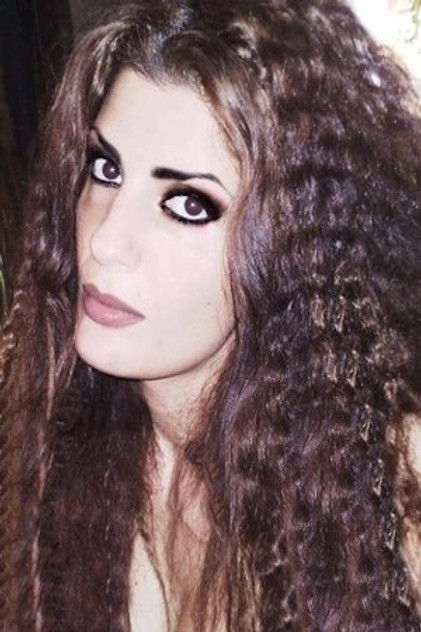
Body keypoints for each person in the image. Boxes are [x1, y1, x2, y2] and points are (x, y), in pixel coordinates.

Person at [1, 0, 421, 630]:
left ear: (290, 250)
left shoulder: (390, 491)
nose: (106, 241)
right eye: (106, 169)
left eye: (188, 204)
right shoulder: (45, 440)